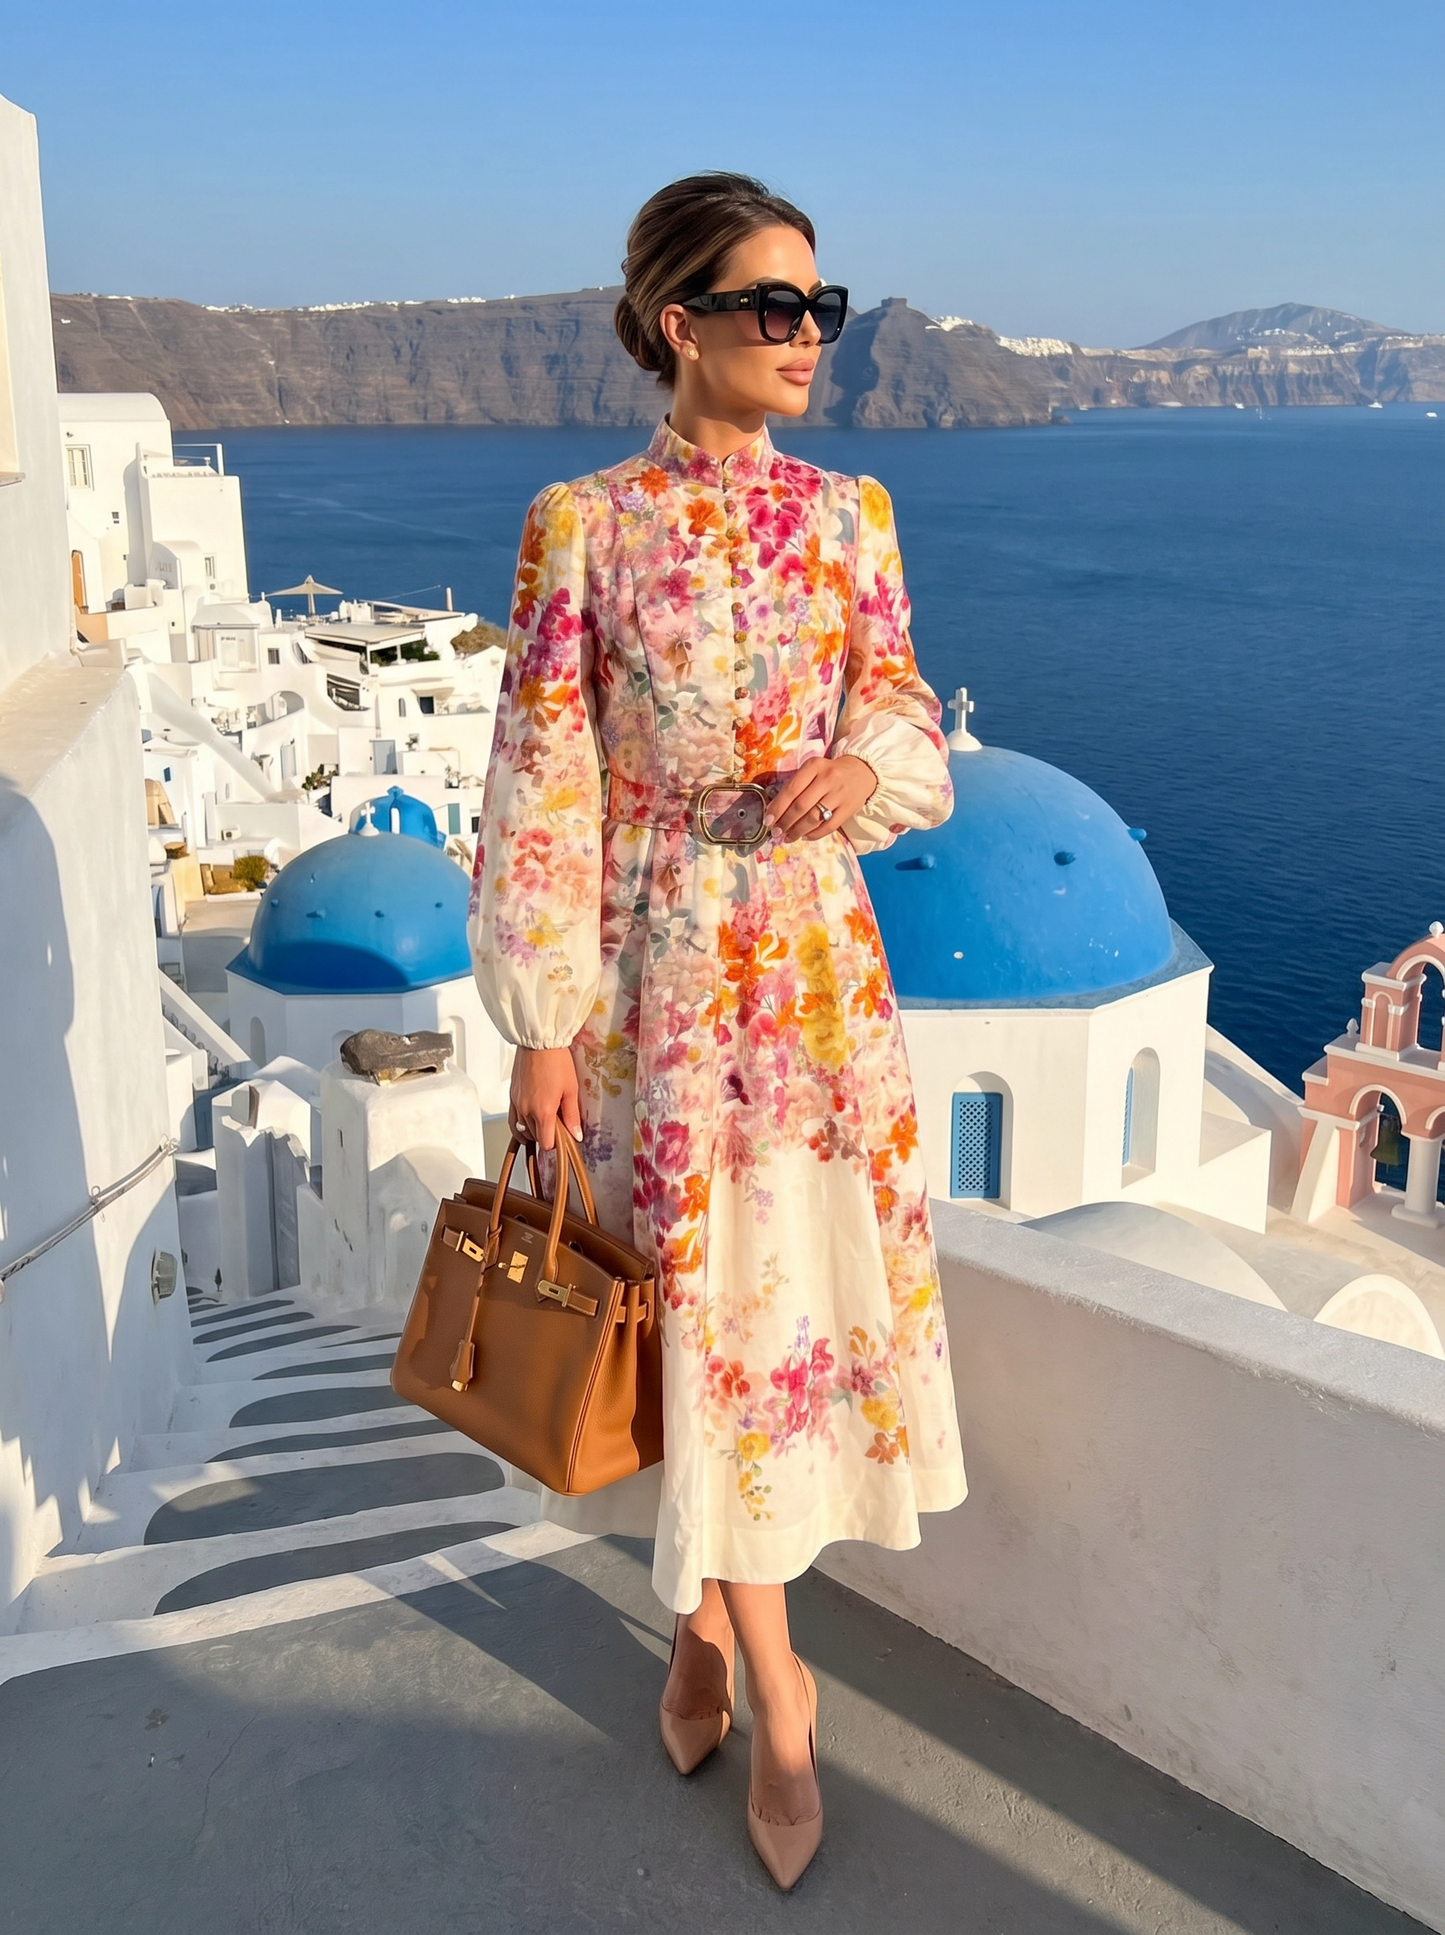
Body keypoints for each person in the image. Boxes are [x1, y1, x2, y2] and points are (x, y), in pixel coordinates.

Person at [470, 172, 966, 1891]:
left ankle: (704, 1644)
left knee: (769, 1326)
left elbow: (901, 698)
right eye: (774, 306)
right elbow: (541, 773)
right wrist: (541, 1020)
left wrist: (871, 767)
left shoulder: (855, 518)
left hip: (819, 983)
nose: (808, 337)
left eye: (823, 308)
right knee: (700, 1323)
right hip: (657, 987)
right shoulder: (581, 525)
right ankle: (780, 1680)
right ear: (682, 323)